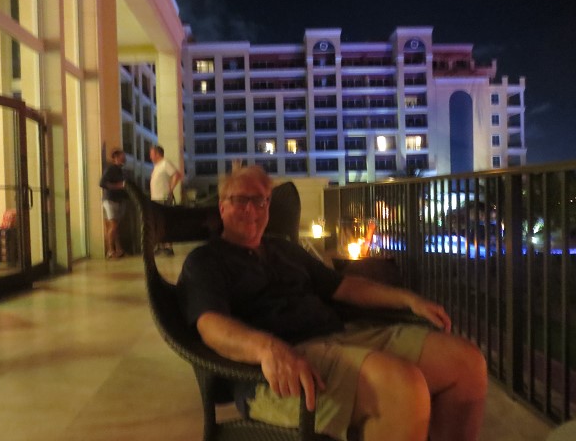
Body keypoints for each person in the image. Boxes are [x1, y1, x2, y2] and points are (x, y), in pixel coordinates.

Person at [178, 166, 487, 441]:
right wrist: (266, 349)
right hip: (282, 367)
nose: (252, 209)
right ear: (222, 207)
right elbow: (210, 325)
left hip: (341, 334)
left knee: (467, 364)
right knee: (403, 390)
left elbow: (344, 286)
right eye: (241, 200)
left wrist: (407, 299)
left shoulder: (285, 249)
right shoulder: (205, 261)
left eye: (260, 200)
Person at [149, 145, 183, 256]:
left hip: (163, 198)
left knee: (165, 222)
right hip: (156, 198)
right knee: (158, 223)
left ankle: (168, 246)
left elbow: (177, 175)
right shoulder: (157, 166)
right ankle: (161, 245)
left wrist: (170, 189)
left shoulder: (165, 163)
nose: (150, 157)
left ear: (157, 154)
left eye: (151, 154)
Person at [99, 149, 127, 259]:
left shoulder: (121, 170)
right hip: (111, 200)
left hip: (118, 200)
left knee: (115, 226)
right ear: (116, 157)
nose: (124, 158)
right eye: (122, 156)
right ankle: (110, 251)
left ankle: (118, 249)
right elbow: (102, 183)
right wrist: (118, 186)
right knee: (113, 226)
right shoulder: (111, 169)